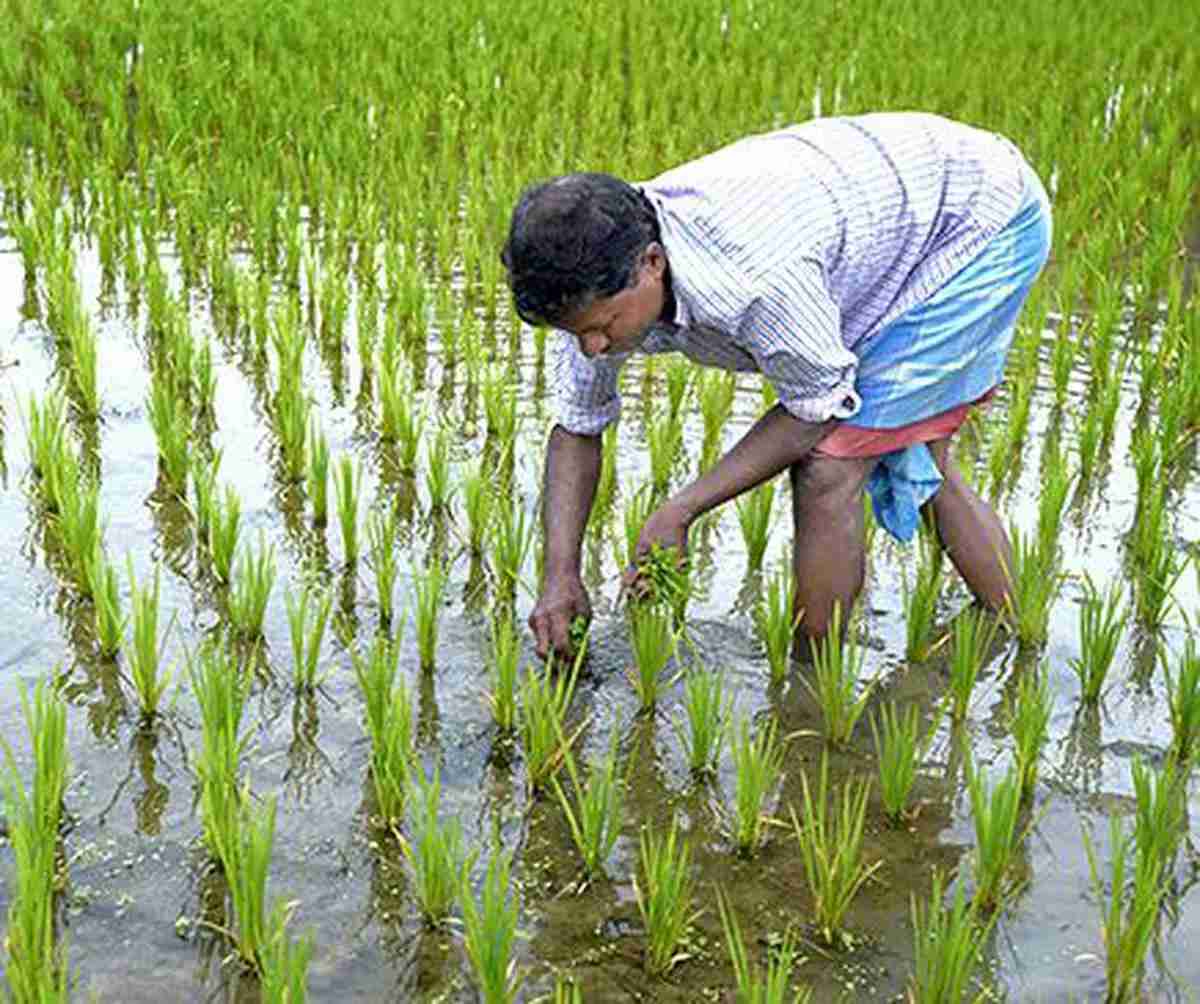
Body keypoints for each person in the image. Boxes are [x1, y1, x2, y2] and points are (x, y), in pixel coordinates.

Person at [501, 111, 1052, 663]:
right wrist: (560, 575)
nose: (592, 348)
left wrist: (682, 509)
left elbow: (818, 406)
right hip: (888, 223)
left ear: (652, 263)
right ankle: (1018, 630)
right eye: (579, 333)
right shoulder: (587, 287)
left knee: (830, 466)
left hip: (978, 221)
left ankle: (814, 684)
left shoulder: (753, 278)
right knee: (907, 452)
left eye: (602, 328)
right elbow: (577, 426)